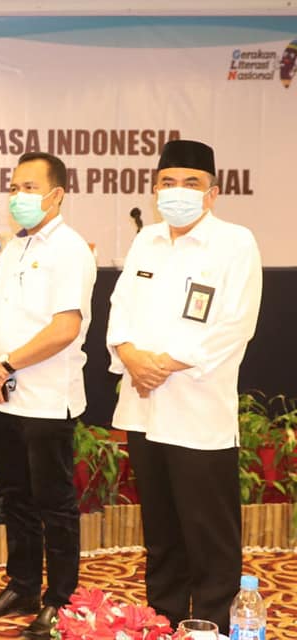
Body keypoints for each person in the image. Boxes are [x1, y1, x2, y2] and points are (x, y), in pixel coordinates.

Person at [106, 139, 261, 635]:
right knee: (162, 532)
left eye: (191, 183)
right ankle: (163, 618)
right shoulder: (147, 241)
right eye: (168, 182)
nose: (178, 191)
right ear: (155, 191)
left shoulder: (235, 243)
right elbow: (119, 307)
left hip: (198, 412)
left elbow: (235, 324)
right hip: (143, 407)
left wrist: (167, 364)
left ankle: (210, 625)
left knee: (209, 533)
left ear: (213, 193)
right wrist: (130, 356)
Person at [0, 152, 96, 639]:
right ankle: (21, 586)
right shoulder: (15, 247)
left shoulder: (70, 249)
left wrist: (6, 364)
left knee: (54, 504)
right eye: (14, 187)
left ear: (56, 194)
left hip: (46, 398)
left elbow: (65, 327)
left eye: (28, 187)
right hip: (3, 395)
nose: (17, 196)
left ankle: (59, 601)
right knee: (16, 496)